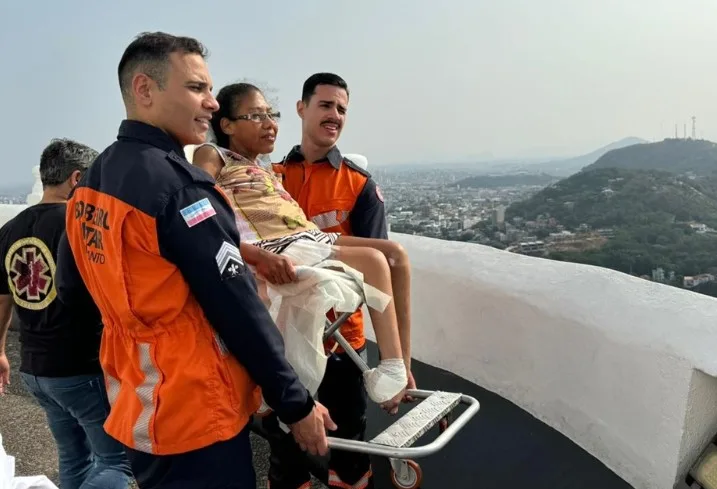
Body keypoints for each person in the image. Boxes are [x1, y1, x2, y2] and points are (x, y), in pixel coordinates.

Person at [55, 32, 335, 489]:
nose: (211, 104)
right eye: (197, 88)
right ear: (145, 90)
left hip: (135, 401)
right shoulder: (181, 189)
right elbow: (237, 308)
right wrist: (295, 404)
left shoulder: (93, 179)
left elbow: (73, 289)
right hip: (195, 412)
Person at [191, 82, 410, 412]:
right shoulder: (216, 156)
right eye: (256, 115)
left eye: (271, 114)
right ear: (227, 125)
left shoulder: (276, 169)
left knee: (390, 257)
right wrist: (253, 254)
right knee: (376, 260)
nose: (269, 123)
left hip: (307, 238)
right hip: (278, 243)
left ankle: (398, 367)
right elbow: (198, 206)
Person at [275, 72, 416, 489]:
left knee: (351, 451)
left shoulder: (358, 185)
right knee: (286, 453)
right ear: (301, 109)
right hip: (284, 340)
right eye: (325, 105)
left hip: (341, 343)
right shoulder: (271, 179)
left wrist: (401, 362)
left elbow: (383, 276)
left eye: (341, 109)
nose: (334, 115)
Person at [0, 138, 134, 489]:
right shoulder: (81, 226)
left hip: (34, 370)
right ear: (77, 179)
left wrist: (0, 351)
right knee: (117, 463)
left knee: (74, 459)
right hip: (80, 366)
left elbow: (2, 299)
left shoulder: (9, 230)